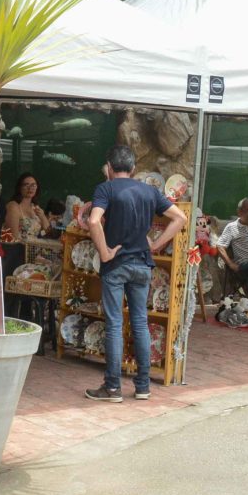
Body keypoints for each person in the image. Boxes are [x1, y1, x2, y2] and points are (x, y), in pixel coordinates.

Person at [84, 146, 185, 403]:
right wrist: (156, 244)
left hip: (116, 265)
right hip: (143, 264)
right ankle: (142, 386)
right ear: (133, 169)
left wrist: (105, 252)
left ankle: (113, 388)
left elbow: (94, 221)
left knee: (115, 323)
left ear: (109, 167)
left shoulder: (105, 189)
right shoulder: (150, 191)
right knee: (140, 322)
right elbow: (180, 218)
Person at [2, 172, 50, 242]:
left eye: (33, 185)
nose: (30, 188)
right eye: (26, 185)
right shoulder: (13, 206)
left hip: (33, 250)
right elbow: (12, 236)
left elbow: (45, 234)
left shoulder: (35, 207)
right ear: (20, 188)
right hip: (16, 249)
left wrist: (43, 217)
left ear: (37, 187)